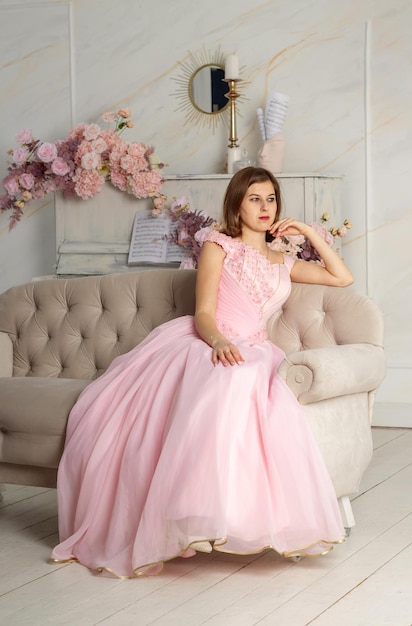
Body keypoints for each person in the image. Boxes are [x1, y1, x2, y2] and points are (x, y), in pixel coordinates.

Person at [51, 167, 353, 578]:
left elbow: (342, 276)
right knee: (227, 378)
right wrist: (219, 342)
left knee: (251, 381)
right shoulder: (218, 246)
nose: (265, 208)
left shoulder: (284, 261)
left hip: (258, 349)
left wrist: (305, 230)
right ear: (236, 204)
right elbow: (204, 313)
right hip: (211, 341)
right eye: (254, 199)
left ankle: (241, 517)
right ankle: (190, 518)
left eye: (271, 200)